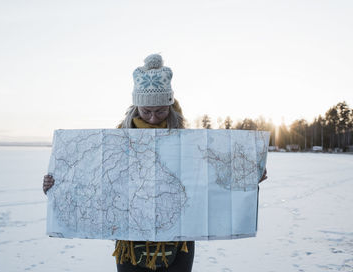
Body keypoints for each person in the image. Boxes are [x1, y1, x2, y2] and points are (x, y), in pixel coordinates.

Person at [43, 53, 268, 271]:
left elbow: (208, 183)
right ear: (135, 108)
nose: (152, 117)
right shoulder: (114, 141)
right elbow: (94, 183)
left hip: (178, 241)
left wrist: (247, 173)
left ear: (169, 106)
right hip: (130, 242)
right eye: (146, 111)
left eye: (160, 111)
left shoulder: (189, 142)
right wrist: (58, 186)